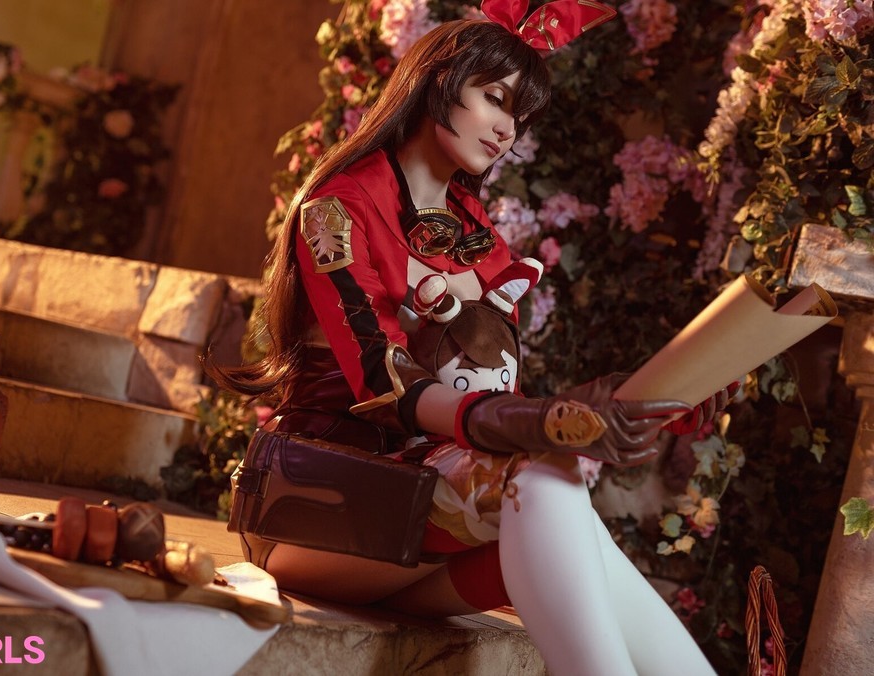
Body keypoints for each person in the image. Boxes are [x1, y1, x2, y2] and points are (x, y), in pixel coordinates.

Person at [212, 1, 724, 673]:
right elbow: (385, 379)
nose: (509, 130)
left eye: (521, 118)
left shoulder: (480, 240)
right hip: (316, 505)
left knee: (546, 489)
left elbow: (483, 388)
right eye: (495, 100)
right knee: (538, 479)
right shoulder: (336, 209)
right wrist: (541, 423)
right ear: (438, 82)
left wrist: (646, 403)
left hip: (424, 515)